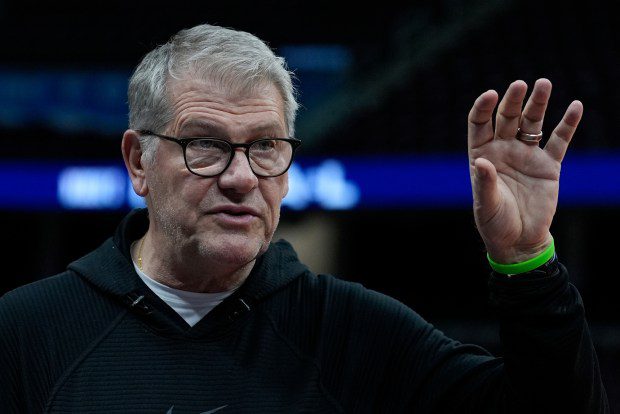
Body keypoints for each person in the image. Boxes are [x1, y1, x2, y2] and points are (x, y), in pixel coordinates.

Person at [0, 23, 609, 414]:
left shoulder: (358, 334)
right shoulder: (25, 335)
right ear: (139, 161)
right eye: (206, 144)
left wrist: (527, 260)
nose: (241, 177)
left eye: (265, 146)